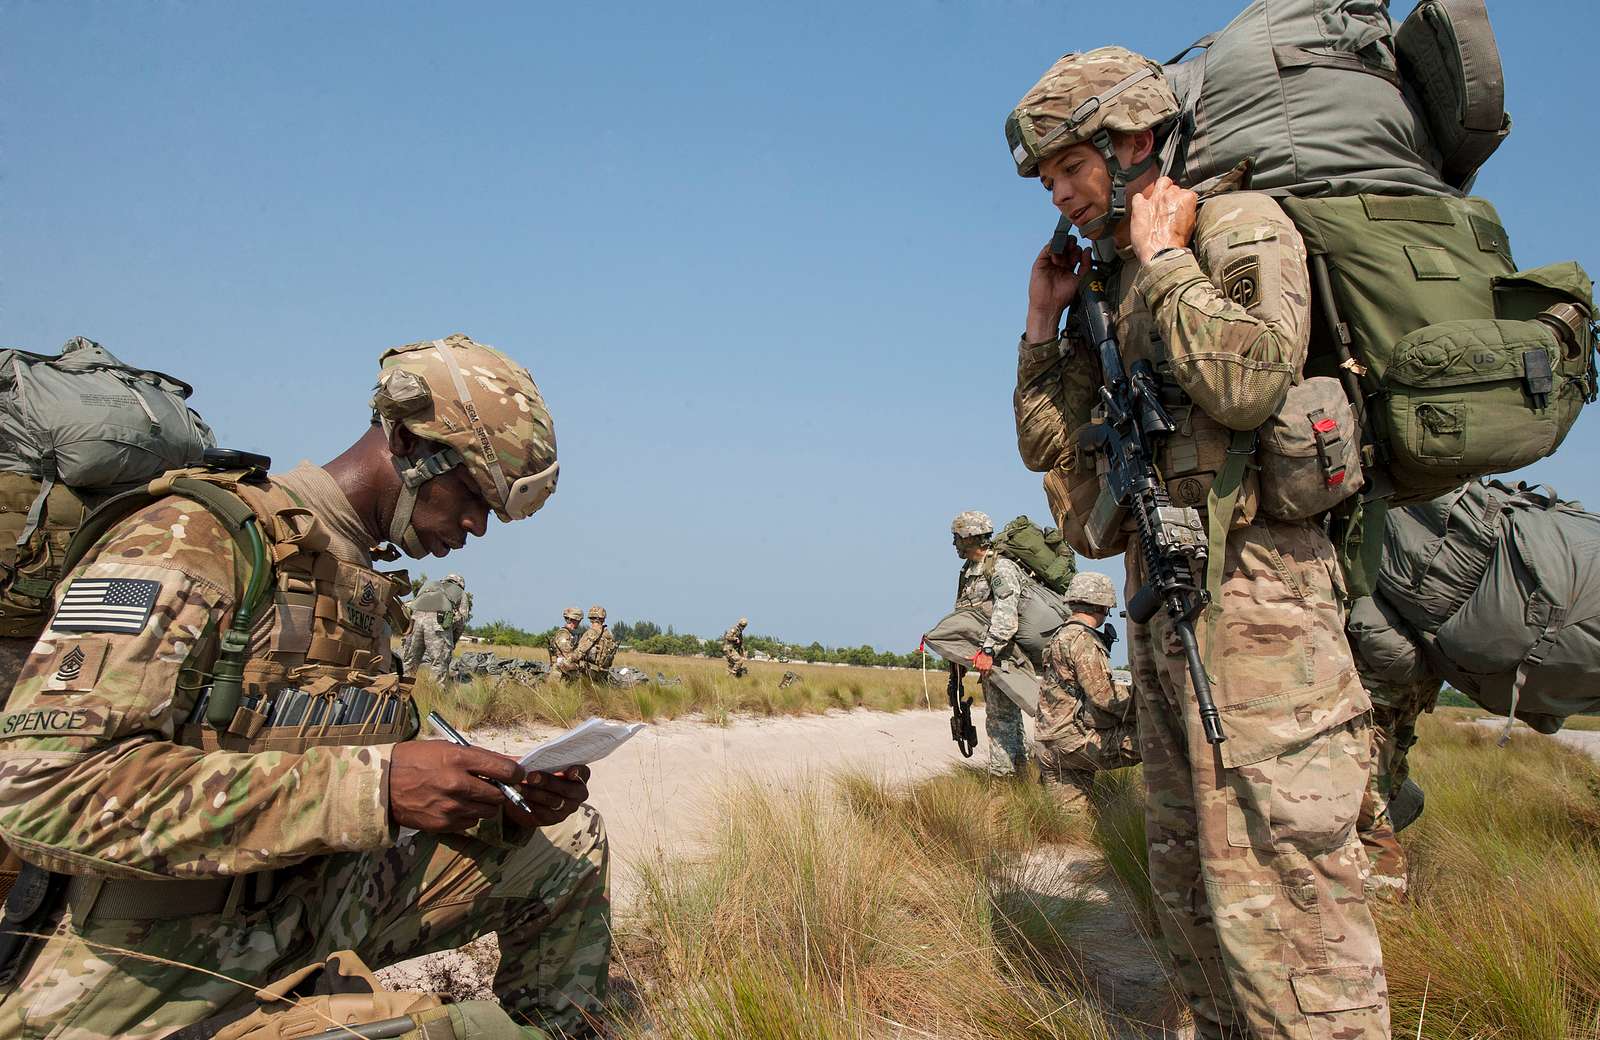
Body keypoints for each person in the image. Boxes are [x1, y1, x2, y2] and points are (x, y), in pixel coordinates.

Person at [0, 334, 609, 1040]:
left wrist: (497, 800)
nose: (475, 525)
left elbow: (332, 754)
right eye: (472, 493)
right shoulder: (192, 540)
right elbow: (42, 794)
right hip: (154, 966)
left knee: (564, 850)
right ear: (408, 444)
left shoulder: (355, 579)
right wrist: (372, 788)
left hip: (304, 912)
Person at [1007, 49, 1387, 1037]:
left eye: (1067, 169)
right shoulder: (1106, 283)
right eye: (1047, 181)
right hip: (1165, 613)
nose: (1056, 194)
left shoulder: (1237, 228)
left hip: (1265, 617)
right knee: (1191, 895)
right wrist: (1044, 323)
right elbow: (1049, 453)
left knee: (1287, 903)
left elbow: (1251, 382)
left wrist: (1171, 258)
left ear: (1131, 140)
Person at [1030, 572, 1139, 811]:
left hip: (1049, 744)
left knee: (1070, 825)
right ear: (1103, 605)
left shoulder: (1059, 635)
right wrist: (1146, 702)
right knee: (1157, 738)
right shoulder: (1083, 639)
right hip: (1076, 742)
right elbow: (1105, 697)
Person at [951, 510, 1029, 778]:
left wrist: (988, 650)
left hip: (1003, 656)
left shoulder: (1000, 568)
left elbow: (1006, 614)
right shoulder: (969, 571)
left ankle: (1002, 782)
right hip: (988, 656)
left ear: (971, 538)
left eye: (958, 538)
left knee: (1000, 721)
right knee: (1007, 720)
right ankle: (1021, 775)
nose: (954, 544)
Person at [402, 572, 470, 681]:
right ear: (460, 584)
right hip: (437, 623)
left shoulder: (430, 585)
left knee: (410, 661)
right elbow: (461, 620)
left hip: (415, 620)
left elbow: (413, 604)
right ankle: (434, 694)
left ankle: (403, 691)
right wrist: (453, 640)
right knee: (439, 663)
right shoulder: (460, 593)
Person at [574, 605, 616, 681]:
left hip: (590, 672)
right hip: (603, 672)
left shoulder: (592, 632)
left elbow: (580, 652)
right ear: (603, 618)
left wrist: (567, 659)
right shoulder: (608, 634)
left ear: (591, 618)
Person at [550, 606, 585, 680]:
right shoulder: (563, 634)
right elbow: (567, 653)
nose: (579, 622)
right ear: (571, 619)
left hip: (569, 670)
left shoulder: (572, 634)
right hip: (561, 673)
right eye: (578, 620)